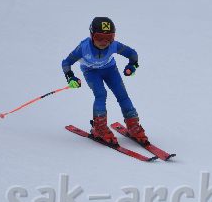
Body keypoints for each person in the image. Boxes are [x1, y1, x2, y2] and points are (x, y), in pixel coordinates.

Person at [61, 16, 148, 145]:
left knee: (122, 95)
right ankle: (99, 127)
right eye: (99, 37)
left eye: (109, 38)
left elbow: (132, 53)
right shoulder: (83, 47)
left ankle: (133, 125)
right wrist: (70, 77)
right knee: (101, 94)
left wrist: (132, 65)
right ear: (92, 35)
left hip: (110, 70)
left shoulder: (114, 45)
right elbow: (66, 62)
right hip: (91, 72)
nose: (104, 42)